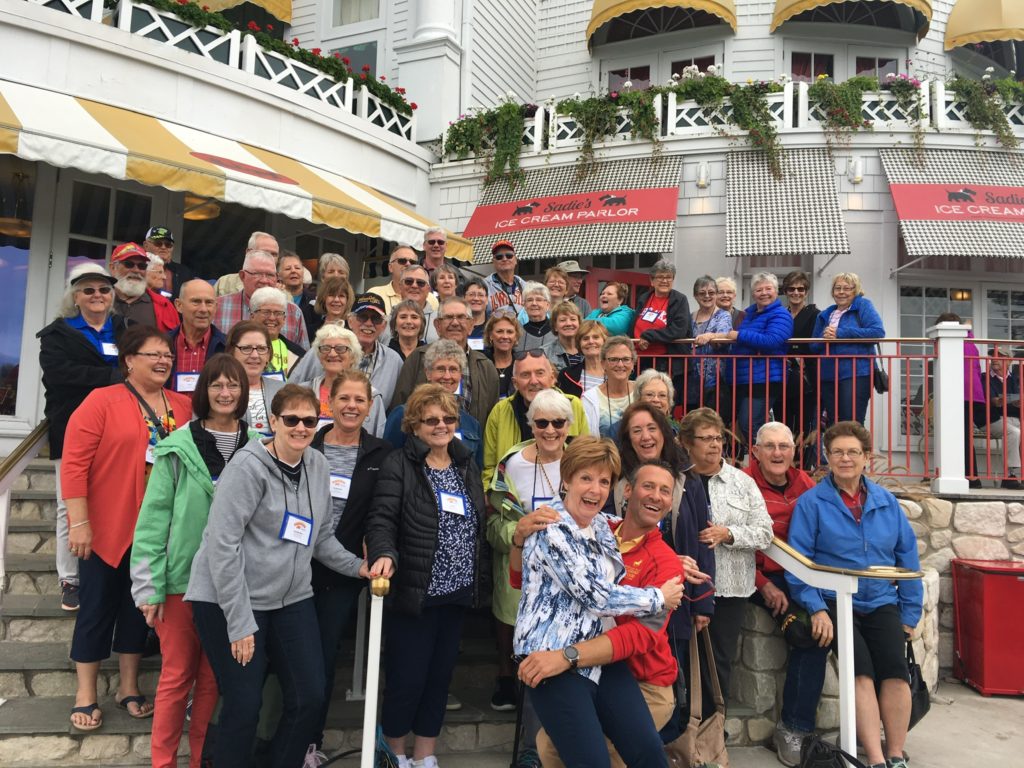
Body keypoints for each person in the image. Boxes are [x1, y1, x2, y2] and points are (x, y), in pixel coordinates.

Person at [186, 384, 370, 768]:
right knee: (244, 702)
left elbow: (321, 537)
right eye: (291, 419)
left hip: (291, 598)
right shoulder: (246, 468)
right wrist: (239, 623)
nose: (301, 428)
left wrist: (359, 567)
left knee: (310, 696)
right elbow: (222, 546)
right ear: (273, 421)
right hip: (230, 598)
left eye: (309, 421)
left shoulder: (317, 464)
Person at [512, 436, 683, 768]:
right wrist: (659, 597)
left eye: (604, 481)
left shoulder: (602, 524)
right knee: (589, 760)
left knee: (648, 751)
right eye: (586, 478)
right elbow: (596, 596)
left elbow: (628, 532)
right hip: (551, 658)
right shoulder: (550, 528)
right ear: (566, 479)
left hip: (600, 658)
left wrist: (681, 561)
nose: (595, 489)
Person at [62, 325, 193, 731]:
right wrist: (79, 522)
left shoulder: (183, 406)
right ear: (129, 360)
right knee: (96, 607)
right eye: (154, 354)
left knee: (141, 610)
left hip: (160, 532)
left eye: (167, 355)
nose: (163, 361)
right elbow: (74, 465)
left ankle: (129, 686)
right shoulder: (101, 401)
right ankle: (85, 693)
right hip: (107, 526)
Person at [131, 354, 255, 768]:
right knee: (177, 676)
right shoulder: (176, 447)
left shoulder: (258, 447)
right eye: (216, 385)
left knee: (212, 680)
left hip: (233, 586)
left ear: (243, 392)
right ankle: (163, 762)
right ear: (204, 391)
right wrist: (148, 587)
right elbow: (152, 522)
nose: (225, 393)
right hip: (181, 581)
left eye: (233, 385)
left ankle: (202, 759)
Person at [786, 421, 922, 768]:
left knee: (895, 672)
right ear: (827, 457)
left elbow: (908, 560)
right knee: (860, 671)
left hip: (880, 600)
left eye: (852, 452)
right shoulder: (811, 503)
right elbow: (798, 563)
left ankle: (895, 756)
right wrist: (816, 608)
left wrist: (909, 614)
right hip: (835, 600)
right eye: (837, 452)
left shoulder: (886, 502)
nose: (845, 459)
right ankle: (875, 760)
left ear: (866, 457)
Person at [365, 384, 486, 768]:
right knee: (408, 679)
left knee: (438, 679)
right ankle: (395, 754)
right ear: (414, 425)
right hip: (416, 592)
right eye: (431, 420)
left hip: (457, 592)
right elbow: (381, 519)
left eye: (448, 418)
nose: (441, 426)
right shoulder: (399, 465)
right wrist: (384, 553)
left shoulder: (465, 463)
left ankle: (425, 756)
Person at [308, 369, 392, 757]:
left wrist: (377, 552)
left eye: (360, 400)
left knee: (322, 657)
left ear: (370, 406)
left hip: (343, 572)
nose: (351, 406)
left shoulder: (380, 453)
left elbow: (381, 512)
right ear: (329, 401)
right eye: (344, 398)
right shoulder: (309, 443)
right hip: (296, 567)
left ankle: (311, 743)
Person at [38, 264, 127, 611]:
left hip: (118, 427)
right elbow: (60, 375)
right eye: (88, 290)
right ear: (75, 297)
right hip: (72, 426)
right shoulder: (57, 334)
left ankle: (107, 571)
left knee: (114, 500)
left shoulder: (124, 328)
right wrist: (111, 378)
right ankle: (70, 578)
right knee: (69, 504)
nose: (97, 295)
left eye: (104, 290)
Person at [487, 389, 575, 713]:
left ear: (569, 425)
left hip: (567, 572)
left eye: (558, 423)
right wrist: (519, 531)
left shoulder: (581, 462)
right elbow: (493, 524)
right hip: (520, 564)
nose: (550, 430)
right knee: (512, 627)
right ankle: (508, 680)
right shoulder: (511, 465)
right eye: (542, 423)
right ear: (531, 424)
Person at [742, 422, 824, 767]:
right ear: (756, 452)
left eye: (784, 446)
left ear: (793, 451)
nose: (777, 453)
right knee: (806, 633)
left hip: (801, 575)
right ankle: (793, 728)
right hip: (757, 576)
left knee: (840, 625)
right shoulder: (742, 484)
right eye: (770, 446)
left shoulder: (805, 483)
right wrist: (763, 583)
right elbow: (734, 547)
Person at [679, 407, 773, 711]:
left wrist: (728, 534)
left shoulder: (742, 482)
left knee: (718, 661)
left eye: (718, 438)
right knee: (681, 658)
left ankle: (713, 726)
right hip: (683, 586)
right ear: (687, 443)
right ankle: (683, 725)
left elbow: (765, 533)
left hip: (730, 588)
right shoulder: (676, 479)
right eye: (705, 438)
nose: (714, 444)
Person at [482, 350, 589, 489]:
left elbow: (585, 455)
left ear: (552, 378)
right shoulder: (500, 412)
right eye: (525, 375)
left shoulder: (573, 405)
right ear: (515, 383)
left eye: (540, 373)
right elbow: (489, 468)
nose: (533, 381)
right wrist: (493, 495)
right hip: (512, 495)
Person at [389, 296, 499, 426]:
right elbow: (400, 410)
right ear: (437, 325)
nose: (455, 323)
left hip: (471, 438)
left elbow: (492, 420)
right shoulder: (418, 358)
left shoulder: (486, 366)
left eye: (461, 317)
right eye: (448, 317)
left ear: (471, 325)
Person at [289, 292, 403, 406]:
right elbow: (291, 389)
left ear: (384, 325)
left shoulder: (393, 361)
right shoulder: (324, 350)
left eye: (376, 319)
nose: (369, 323)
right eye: (362, 317)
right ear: (350, 321)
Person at [384, 340, 484, 467]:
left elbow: (477, 472)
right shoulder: (403, 415)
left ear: (460, 375)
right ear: (428, 373)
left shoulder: (472, 425)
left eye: (453, 369)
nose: (447, 376)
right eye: (440, 369)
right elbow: (389, 463)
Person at [726, 272, 793, 445]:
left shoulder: (781, 314)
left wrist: (739, 335)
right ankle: (760, 458)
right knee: (747, 424)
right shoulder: (750, 314)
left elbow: (773, 340)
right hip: (746, 377)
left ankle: (768, 457)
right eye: (758, 290)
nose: (764, 293)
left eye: (768, 288)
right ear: (753, 293)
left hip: (766, 377)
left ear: (776, 291)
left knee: (750, 423)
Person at [812, 272, 884, 427]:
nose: (841, 292)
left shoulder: (863, 305)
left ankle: (855, 445)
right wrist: (824, 338)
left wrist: (840, 333)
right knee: (833, 423)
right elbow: (813, 346)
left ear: (855, 290)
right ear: (832, 292)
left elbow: (877, 332)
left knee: (851, 422)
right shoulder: (825, 314)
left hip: (856, 373)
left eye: (847, 288)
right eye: (837, 288)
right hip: (828, 375)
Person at [296, 325, 385, 436]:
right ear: (319, 356)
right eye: (326, 348)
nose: (332, 354)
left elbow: (377, 437)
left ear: (353, 356)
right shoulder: (302, 392)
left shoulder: (371, 396)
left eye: (341, 349)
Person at [214, 248, 309, 349]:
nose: (264, 280)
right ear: (242, 276)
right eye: (257, 274)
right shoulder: (217, 307)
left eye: (270, 275)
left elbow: (304, 357)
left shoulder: (293, 312)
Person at [167, 280, 228, 396]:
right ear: (179, 305)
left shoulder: (228, 346)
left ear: (216, 307)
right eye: (196, 302)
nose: (203, 309)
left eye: (209, 303)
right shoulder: (161, 345)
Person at [781, 271, 819, 448]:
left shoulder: (815, 314)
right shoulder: (781, 314)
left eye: (800, 289)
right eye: (791, 289)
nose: (796, 292)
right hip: (783, 375)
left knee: (805, 424)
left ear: (806, 292)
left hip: (807, 376)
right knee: (783, 422)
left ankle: (803, 462)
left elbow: (816, 344)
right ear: (785, 291)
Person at [227, 321, 285, 436]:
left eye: (261, 348)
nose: (255, 355)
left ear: (268, 355)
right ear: (232, 352)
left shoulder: (284, 390)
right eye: (246, 348)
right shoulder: (218, 391)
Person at [634, 259, 692, 373]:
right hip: (640, 358)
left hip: (665, 361)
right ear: (652, 281)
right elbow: (634, 324)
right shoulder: (644, 298)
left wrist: (649, 336)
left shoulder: (680, 299)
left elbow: (679, 330)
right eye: (660, 277)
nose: (664, 281)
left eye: (669, 277)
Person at [109, 242, 180, 333]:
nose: (136, 270)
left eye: (142, 266)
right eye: (129, 264)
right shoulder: (98, 300)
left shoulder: (165, 305)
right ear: (113, 268)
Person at [688, 275, 733, 412]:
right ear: (695, 296)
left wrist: (710, 336)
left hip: (715, 380)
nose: (707, 296)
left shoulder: (723, 315)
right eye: (702, 293)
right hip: (692, 379)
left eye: (711, 292)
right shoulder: (690, 316)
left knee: (713, 417)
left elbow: (725, 334)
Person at [582, 336, 637, 439]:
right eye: (613, 359)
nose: (620, 364)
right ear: (603, 364)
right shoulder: (590, 398)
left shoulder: (642, 392)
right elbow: (587, 439)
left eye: (626, 359)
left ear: (633, 363)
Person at [370, 246, 440, 316]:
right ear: (390, 267)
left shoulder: (431, 299)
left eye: (412, 262)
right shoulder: (375, 294)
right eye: (402, 261)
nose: (408, 264)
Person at [987, 347, 1022, 489]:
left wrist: (1019, 402)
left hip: (1016, 417)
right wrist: (1000, 401)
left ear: (1009, 361)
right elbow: (992, 401)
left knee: (1017, 431)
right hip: (995, 418)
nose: (994, 359)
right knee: (1014, 432)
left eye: (999, 356)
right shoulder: (985, 378)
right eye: (993, 357)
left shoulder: (1015, 379)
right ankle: (1010, 475)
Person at [250, 286, 304, 375]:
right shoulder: (238, 347)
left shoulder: (298, 354)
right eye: (266, 312)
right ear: (252, 316)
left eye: (278, 313)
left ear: (284, 319)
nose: (272, 318)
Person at [213, 231, 279, 297]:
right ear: (249, 252)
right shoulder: (224, 284)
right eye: (264, 253)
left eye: (274, 254)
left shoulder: (282, 293)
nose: (270, 257)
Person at [557, 319, 609, 397]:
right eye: (585, 338)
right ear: (579, 344)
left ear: (604, 341)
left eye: (595, 337)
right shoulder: (566, 375)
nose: (591, 341)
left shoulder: (615, 373)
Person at [143, 225, 193, 300]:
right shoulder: (137, 267)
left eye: (168, 244)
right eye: (158, 243)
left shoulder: (184, 272)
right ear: (146, 245)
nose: (163, 247)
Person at [483, 312, 520, 399]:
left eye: (510, 332)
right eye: (499, 331)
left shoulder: (522, 364)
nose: (505, 336)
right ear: (490, 335)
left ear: (516, 336)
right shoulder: (480, 364)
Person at [486, 240, 526, 314]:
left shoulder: (525, 286)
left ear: (515, 260)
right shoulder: (484, 286)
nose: (504, 259)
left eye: (509, 256)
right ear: (493, 262)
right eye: (499, 257)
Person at [421, 227, 467, 292]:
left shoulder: (458, 275)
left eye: (440, 242)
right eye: (431, 242)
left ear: (446, 246)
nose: (436, 245)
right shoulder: (412, 270)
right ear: (424, 245)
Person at [544, 301, 584, 373]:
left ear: (579, 324)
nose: (568, 323)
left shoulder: (588, 350)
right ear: (555, 326)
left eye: (573, 319)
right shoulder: (545, 353)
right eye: (563, 320)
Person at [516, 282, 554, 352]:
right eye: (530, 300)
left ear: (547, 305)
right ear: (524, 305)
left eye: (539, 300)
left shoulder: (557, 331)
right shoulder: (518, 333)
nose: (534, 303)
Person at [464, 277, 490, 348]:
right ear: (464, 298)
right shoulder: (457, 324)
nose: (476, 298)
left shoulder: (494, 325)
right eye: (471, 294)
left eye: (480, 295)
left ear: (487, 300)